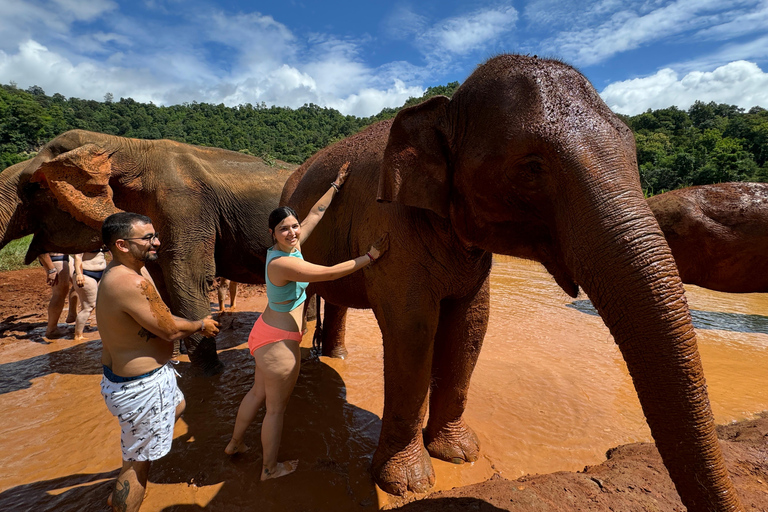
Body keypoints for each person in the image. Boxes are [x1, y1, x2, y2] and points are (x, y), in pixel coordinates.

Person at [225, 163, 388, 481]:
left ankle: (234, 444)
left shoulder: (288, 248)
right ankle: (269, 468)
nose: (293, 232)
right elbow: (328, 273)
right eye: (284, 229)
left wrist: (336, 185)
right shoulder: (286, 262)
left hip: (266, 333)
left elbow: (316, 213)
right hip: (278, 343)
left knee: (257, 394)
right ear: (272, 233)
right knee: (275, 409)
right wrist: (370, 257)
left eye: (294, 226)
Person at [97, 212, 219, 512]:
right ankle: (124, 503)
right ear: (122, 244)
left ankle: (123, 487)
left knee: (177, 407)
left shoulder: (131, 270)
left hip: (133, 381)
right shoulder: (128, 282)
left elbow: (159, 315)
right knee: (138, 467)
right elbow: (170, 329)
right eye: (148, 238)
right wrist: (200, 324)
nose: (157, 242)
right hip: (141, 387)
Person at [37, 252, 78, 338]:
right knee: (60, 291)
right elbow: (39, 247)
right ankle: (52, 329)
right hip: (53, 257)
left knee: (78, 282)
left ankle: (72, 315)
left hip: (64, 255)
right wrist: (50, 269)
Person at [72, 249, 109, 341]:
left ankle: (107, 330)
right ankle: (78, 335)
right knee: (89, 306)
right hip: (86, 274)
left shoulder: (102, 238)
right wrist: (79, 274)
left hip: (102, 272)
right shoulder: (84, 238)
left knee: (103, 303)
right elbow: (77, 256)